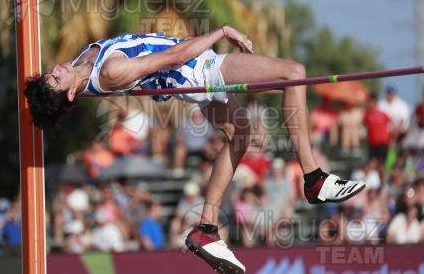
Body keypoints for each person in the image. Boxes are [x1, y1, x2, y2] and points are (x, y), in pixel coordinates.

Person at [24, 26, 365, 273]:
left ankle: (206, 229)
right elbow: (173, 56)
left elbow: (56, 94)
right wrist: (221, 30)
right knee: (295, 74)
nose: (57, 70)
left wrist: (45, 94)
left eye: (51, 74)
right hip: (200, 70)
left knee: (240, 136)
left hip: (192, 76)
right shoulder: (110, 72)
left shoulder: (79, 65)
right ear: (69, 95)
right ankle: (314, 177)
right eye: (56, 79)